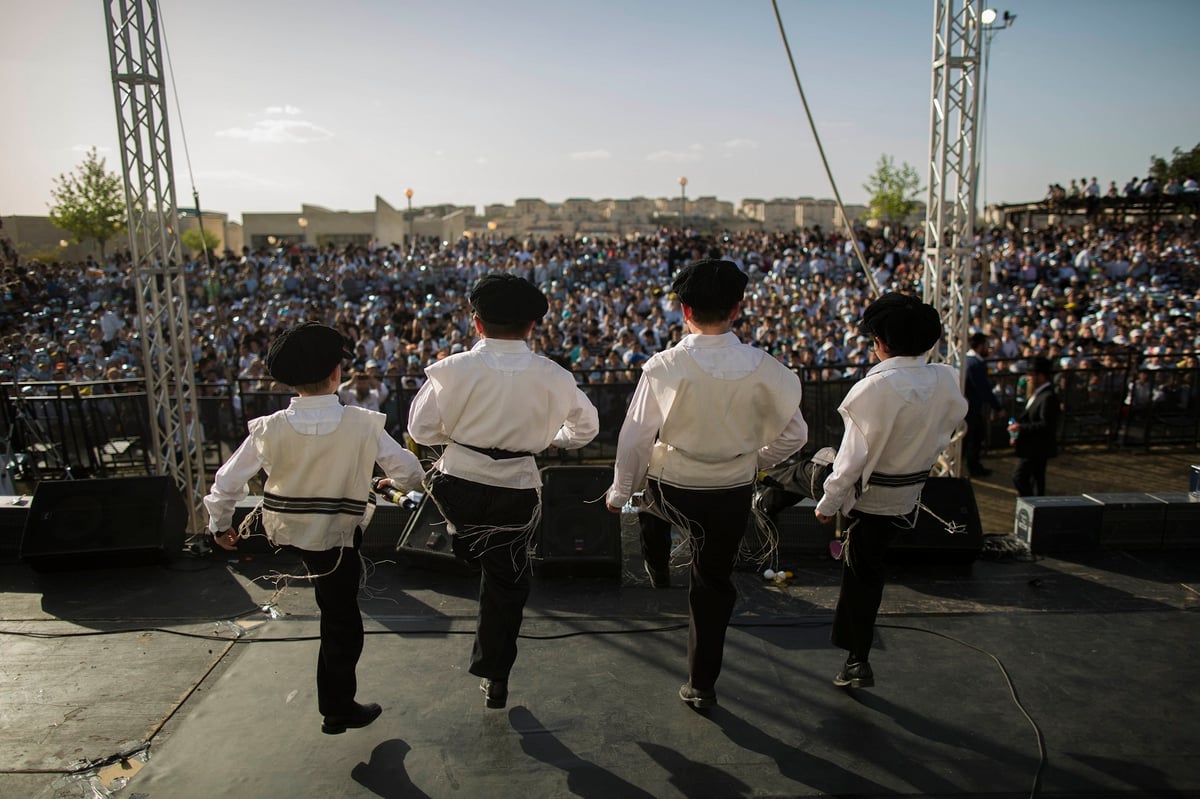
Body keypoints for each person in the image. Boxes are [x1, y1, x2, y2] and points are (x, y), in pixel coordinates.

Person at [605, 258, 808, 710]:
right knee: (712, 581)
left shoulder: (664, 364)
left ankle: (656, 564)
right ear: (737, 309)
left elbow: (636, 436)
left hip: (673, 484)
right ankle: (701, 683)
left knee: (653, 506)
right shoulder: (766, 367)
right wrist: (753, 459)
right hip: (732, 487)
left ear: (684, 310)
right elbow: (796, 435)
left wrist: (621, 492)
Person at [203, 322, 424, 735]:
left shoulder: (268, 427)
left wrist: (219, 527)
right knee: (342, 620)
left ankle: (336, 704)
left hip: (289, 529)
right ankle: (337, 708)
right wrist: (388, 483)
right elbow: (409, 473)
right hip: (339, 535)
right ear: (337, 373)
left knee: (335, 611)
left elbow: (227, 482)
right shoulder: (362, 423)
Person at [407, 273, 599, 709]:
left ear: (476, 323)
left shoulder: (451, 369)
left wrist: (459, 436)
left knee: (478, 551)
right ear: (532, 326)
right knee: (506, 584)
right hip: (516, 488)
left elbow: (419, 428)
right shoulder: (555, 376)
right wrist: (552, 438)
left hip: (457, 485)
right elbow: (587, 429)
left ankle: (462, 543)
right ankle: (495, 674)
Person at [813, 292, 967, 690]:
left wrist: (828, 504)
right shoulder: (947, 381)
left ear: (880, 344)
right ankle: (855, 657)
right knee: (866, 572)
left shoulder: (873, 390)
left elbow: (851, 460)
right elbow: (949, 427)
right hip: (906, 495)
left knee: (807, 472)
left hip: (867, 499)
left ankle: (857, 659)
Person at [1008, 355, 1061, 497]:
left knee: (1020, 476)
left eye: (1031, 375)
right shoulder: (1038, 394)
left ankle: (1030, 503)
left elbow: (1046, 424)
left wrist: (1020, 428)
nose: (1028, 378)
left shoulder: (1048, 397)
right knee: (1037, 478)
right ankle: (1036, 505)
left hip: (1036, 447)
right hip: (1033, 445)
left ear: (1041, 376)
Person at [964, 332, 1002, 477]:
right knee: (973, 440)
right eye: (987, 345)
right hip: (972, 409)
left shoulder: (968, 361)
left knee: (972, 439)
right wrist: (997, 407)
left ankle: (973, 467)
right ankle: (973, 468)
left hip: (968, 408)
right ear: (980, 347)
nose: (989, 348)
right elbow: (984, 389)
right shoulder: (975, 364)